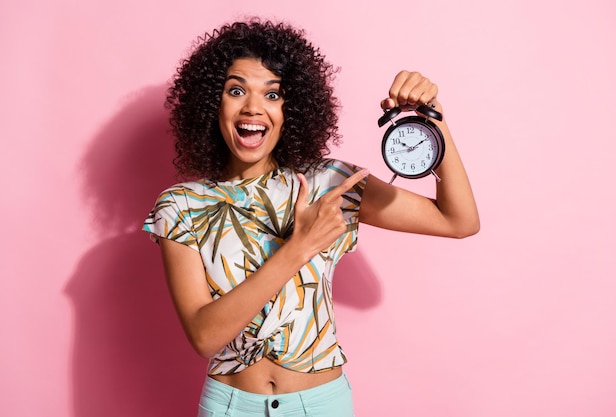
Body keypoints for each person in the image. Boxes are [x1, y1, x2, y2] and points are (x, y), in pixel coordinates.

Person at [143, 18, 479, 417]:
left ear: (292, 109)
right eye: (236, 91)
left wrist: (433, 123)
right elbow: (204, 336)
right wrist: (299, 247)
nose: (253, 107)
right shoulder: (180, 207)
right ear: (211, 104)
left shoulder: (330, 182)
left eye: (273, 94)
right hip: (231, 406)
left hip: (321, 404)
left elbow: (458, 221)